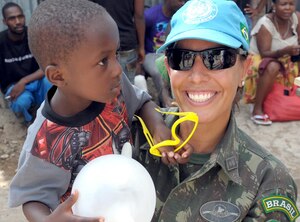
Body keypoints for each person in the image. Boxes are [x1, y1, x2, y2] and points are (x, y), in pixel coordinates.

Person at [8, 0, 192, 221]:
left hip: (130, 204)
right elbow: (32, 197)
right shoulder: (44, 141)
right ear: (58, 76)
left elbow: (142, 103)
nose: (117, 69)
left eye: (115, 54)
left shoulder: (113, 86)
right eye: (103, 61)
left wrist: (157, 126)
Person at [136, 0, 299, 221]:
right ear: (168, 68)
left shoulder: (268, 182)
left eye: (217, 58)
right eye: (182, 58)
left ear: (244, 69)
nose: (196, 76)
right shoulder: (133, 139)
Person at [245, 0, 300, 125]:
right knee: (273, 66)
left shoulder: (296, 18)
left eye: (291, 4)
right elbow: (265, 53)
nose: (288, 8)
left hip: (286, 56)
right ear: (274, 6)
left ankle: (289, 99)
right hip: (261, 59)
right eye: (283, 4)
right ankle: (257, 109)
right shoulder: (266, 24)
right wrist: (286, 50)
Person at [0, 2, 51, 125]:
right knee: (22, 103)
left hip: (37, 80)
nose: (18, 21)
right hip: (14, 86)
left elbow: (46, 66)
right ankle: (31, 119)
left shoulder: (35, 36)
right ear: (4, 21)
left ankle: (49, 114)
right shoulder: (1, 42)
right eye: (12, 18)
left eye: (20, 16)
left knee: (50, 82)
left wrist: (24, 81)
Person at [90, 0, 145, 85]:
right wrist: (141, 46)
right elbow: (139, 16)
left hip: (102, 43)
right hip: (126, 42)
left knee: (104, 87)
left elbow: (86, 13)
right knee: (128, 87)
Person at [143, 0, 185, 107]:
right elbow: (140, 36)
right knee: (159, 71)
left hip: (169, 52)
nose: (182, 3)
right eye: (179, 0)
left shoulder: (181, 16)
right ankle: (166, 105)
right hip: (152, 53)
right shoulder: (149, 16)